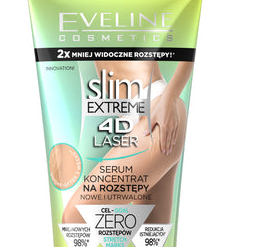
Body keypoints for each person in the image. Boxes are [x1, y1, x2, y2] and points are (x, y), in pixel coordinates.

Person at [62, 60, 194, 224]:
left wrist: (170, 97)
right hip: (141, 118)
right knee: (150, 236)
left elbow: (186, 54)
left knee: (75, 217)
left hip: (157, 110)